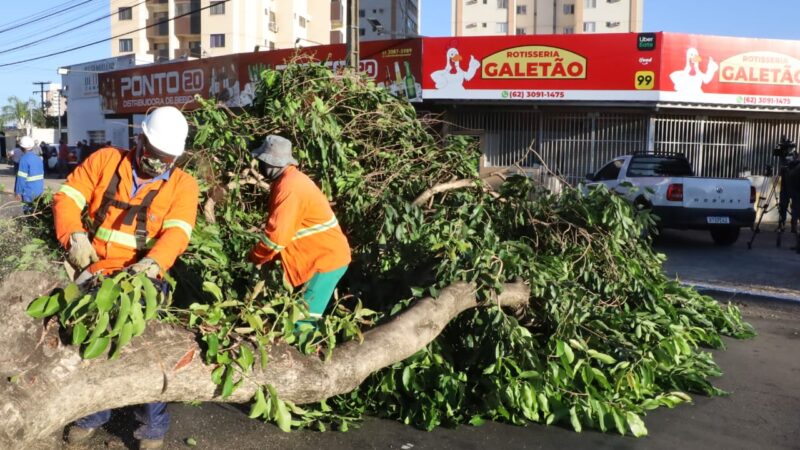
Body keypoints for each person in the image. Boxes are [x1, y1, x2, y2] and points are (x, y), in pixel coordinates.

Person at [53, 106, 199, 449]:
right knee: (91, 344)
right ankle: (93, 413)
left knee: (144, 351)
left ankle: (152, 427)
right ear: (140, 138)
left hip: (143, 276)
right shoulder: (105, 161)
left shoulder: (183, 185)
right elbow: (67, 198)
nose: (158, 163)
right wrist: (74, 235)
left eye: (166, 158)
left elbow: (177, 234)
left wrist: (153, 264)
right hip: (96, 269)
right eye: (153, 153)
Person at [248, 135, 351, 329]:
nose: (259, 167)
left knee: (302, 320)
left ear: (271, 163)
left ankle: (303, 355)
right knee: (301, 314)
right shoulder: (290, 181)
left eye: (261, 162)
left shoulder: (289, 187)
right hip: (319, 258)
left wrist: (255, 257)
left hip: (324, 261)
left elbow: (276, 238)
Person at [14, 136, 44, 211]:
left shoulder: (24, 159)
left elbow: (21, 178)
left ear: (21, 147)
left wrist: (18, 192)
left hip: (28, 191)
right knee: (37, 211)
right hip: (39, 190)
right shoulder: (38, 158)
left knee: (28, 212)